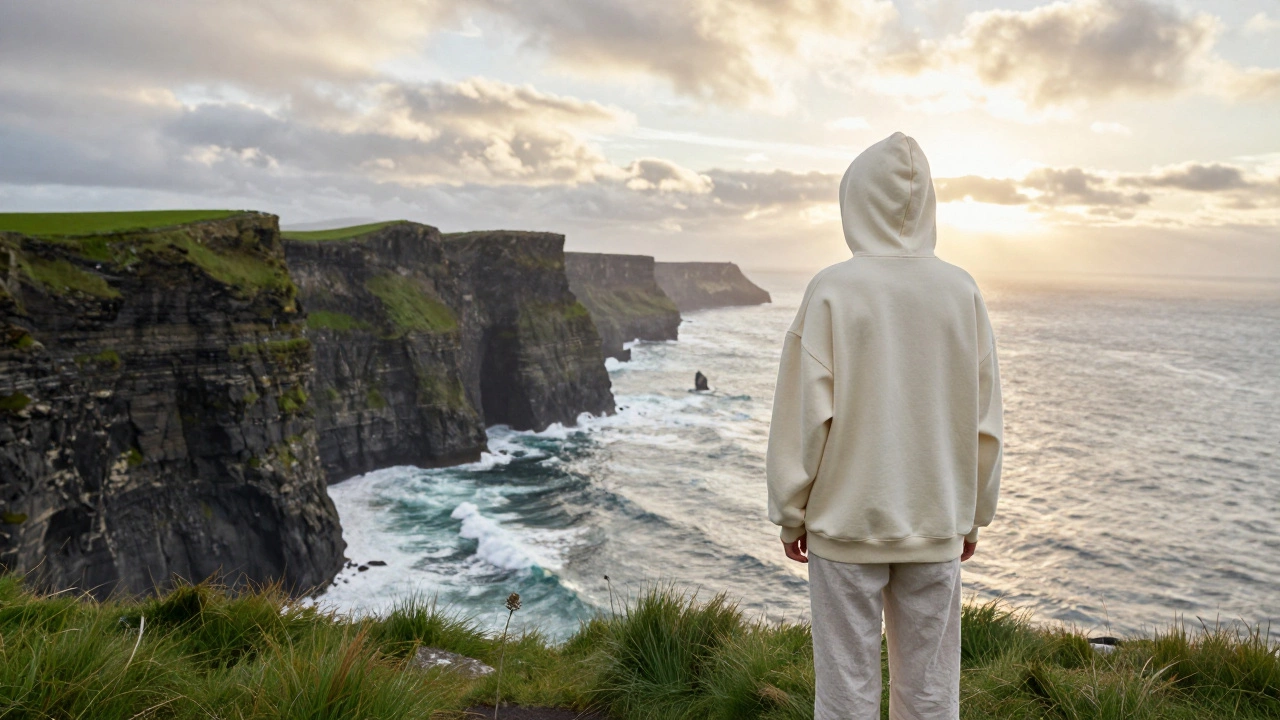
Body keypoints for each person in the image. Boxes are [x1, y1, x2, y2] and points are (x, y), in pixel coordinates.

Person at [766, 132, 1003, 720]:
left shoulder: (832, 290)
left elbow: (804, 417)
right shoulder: (962, 291)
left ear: (855, 202)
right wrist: (975, 513)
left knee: (844, 694)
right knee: (930, 695)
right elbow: (985, 421)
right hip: (937, 520)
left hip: (845, 525)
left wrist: (790, 511)